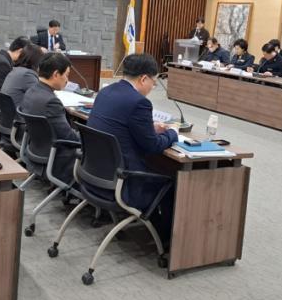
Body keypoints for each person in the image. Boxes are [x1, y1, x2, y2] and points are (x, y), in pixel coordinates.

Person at [87, 53, 178, 243]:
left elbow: (121, 123)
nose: (152, 87)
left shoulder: (106, 91)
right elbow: (153, 146)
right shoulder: (139, 103)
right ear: (143, 78)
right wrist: (172, 133)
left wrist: (149, 127)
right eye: (154, 83)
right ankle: (164, 242)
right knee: (171, 182)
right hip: (123, 183)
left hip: (94, 174)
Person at [20, 52, 79, 184]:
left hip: (35, 151)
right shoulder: (51, 102)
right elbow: (68, 137)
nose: (67, 80)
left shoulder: (31, 91)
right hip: (57, 159)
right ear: (56, 74)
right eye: (67, 75)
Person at [1, 44, 44, 108]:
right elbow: (41, 96)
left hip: (7, 111)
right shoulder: (27, 74)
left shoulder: (15, 70)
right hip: (18, 113)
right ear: (37, 61)